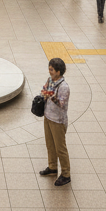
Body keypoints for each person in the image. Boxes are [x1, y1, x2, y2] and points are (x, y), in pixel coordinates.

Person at [37, 57, 71, 187]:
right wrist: (45, 92)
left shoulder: (64, 87)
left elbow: (62, 104)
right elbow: (45, 88)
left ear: (58, 71)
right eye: (49, 68)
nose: (49, 71)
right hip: (48, 117)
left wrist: (51, 95)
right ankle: (52, 167)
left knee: (60, 148)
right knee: (50, 145)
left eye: (52, 69)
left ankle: (66, 174)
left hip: (58, 121)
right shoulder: (50, 80)